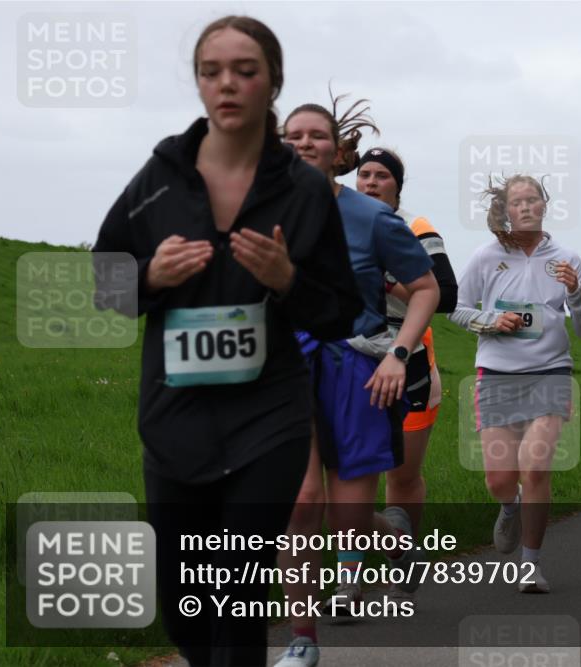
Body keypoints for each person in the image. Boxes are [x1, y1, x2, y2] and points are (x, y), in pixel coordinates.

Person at [91, 16, 363, 666]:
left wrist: (287, 279)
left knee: (237, 588)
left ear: (272, 81)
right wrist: (150, 279)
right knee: (186, 604)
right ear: (197, 82)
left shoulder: (301, 190)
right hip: (174, 416)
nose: (228, 84)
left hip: (267, 413)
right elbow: (105, 283)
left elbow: (341, 313)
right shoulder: (159, 176)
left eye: (245, 70)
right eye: (212, 71)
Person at [274, 96, 439, 667]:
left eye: (315, 135)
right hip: (284, 368)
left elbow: (426, 289)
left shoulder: (375, 218)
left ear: (338, 150)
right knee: (301, 506)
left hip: (357, 371)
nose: (302, 144)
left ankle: (394, 543)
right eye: (291, 135)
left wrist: (398, 355)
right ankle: (302, 639)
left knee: (346, 522)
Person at [449, 175, 581, 593]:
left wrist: (577, 295)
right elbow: (455, 309)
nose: (527, 206)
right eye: (518, 201)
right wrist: (491, 321)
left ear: (545, 205)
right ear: (506, 210)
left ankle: (530, 565)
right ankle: (509, 505)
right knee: (500, 479)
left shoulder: (566, 258)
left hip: (550, 372)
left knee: (536, 467)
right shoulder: (486, 256)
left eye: (534, 199)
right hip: (496, 374)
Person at [356, 147, 458, 602]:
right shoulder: (342, 222)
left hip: (411, 360)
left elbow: (447, 295)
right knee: (351, 476)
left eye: (381, 176)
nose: (371, 182)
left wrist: (386, 282)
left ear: (397, 185)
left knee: (400, 474)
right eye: (364, 174)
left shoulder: (416, 228)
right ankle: (353, 575)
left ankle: (403, 566)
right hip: (353, 356)